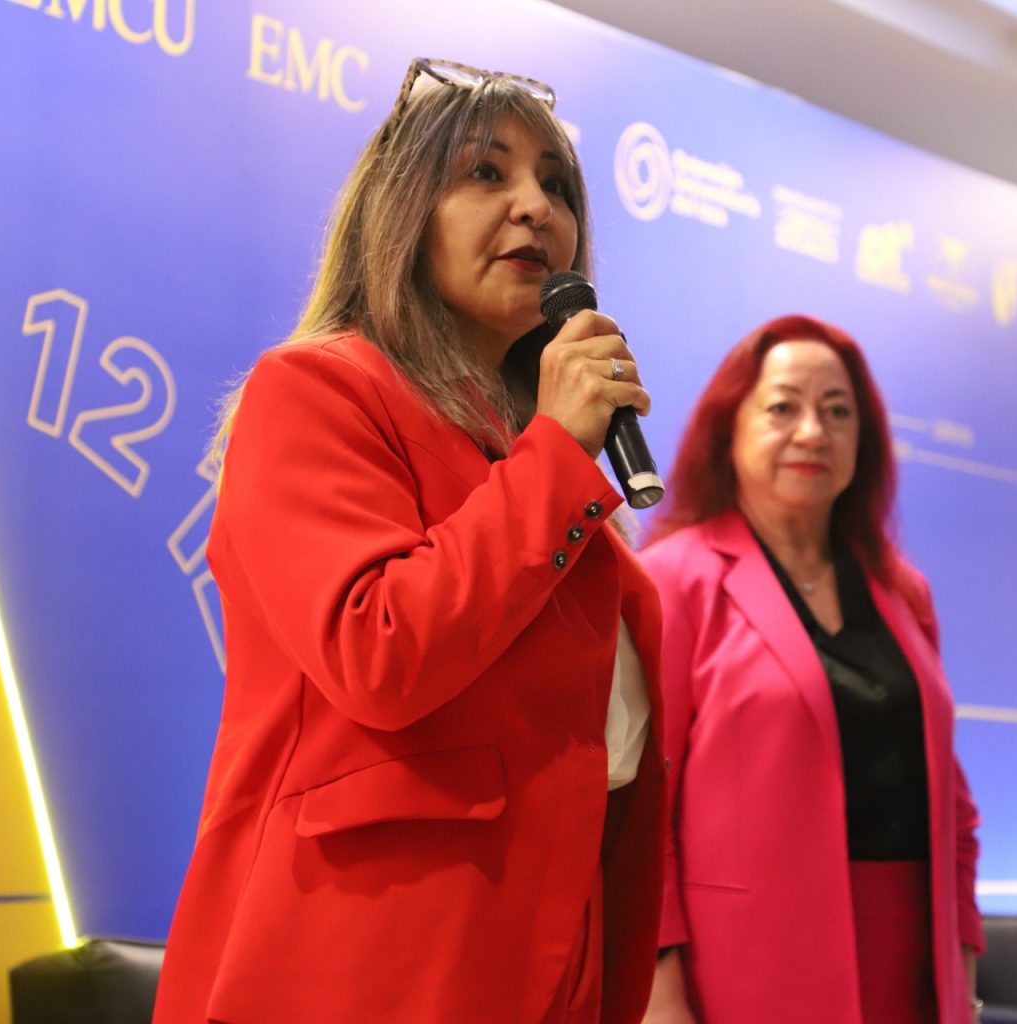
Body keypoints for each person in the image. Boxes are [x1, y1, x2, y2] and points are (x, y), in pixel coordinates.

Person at [152, 58, 666, 1024]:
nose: (536, 207)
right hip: (364, 971)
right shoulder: (316, 392)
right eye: (487, 172)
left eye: (557, 186)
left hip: (545, 964)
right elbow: (379, 651)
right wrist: (558, 452)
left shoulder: (541, 463)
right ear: (400, 214)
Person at [639, 315, 984, 1024]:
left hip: (911, 968)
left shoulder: (902, 592)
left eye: (837, 412)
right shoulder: (673, 580)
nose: (812, 432)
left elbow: (952, 805)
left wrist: (963, 963)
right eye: (782, 407)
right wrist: (659, 994)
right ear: (728, 430)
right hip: (743, 972)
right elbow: (641, 814)